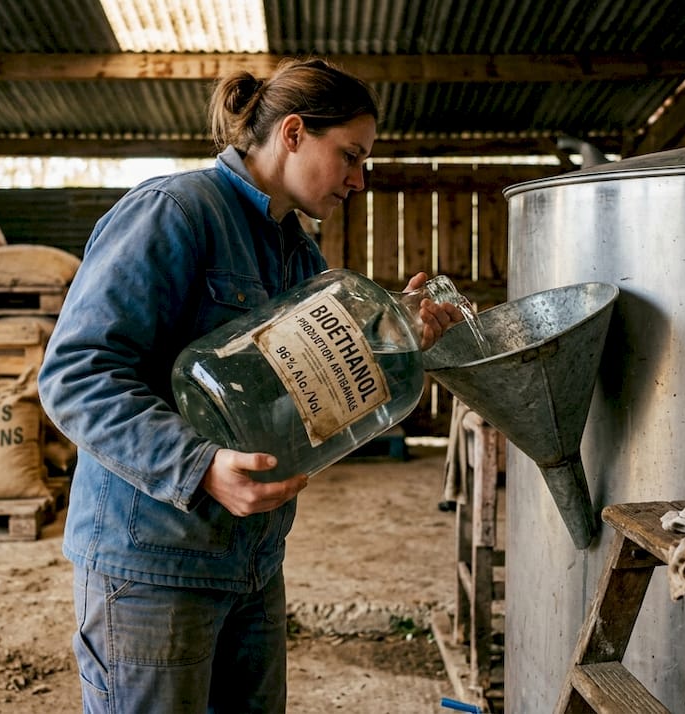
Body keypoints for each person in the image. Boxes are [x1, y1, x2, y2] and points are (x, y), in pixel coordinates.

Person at [37, 57, 462, 714]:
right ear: (292, 132)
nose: (358, 179)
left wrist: (396, 342)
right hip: (153, 564)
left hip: (253, 567)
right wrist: (199, 465)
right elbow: (75, 375)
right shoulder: (175, 212)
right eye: (350, 155)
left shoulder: (300, 256)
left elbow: (299, 395)